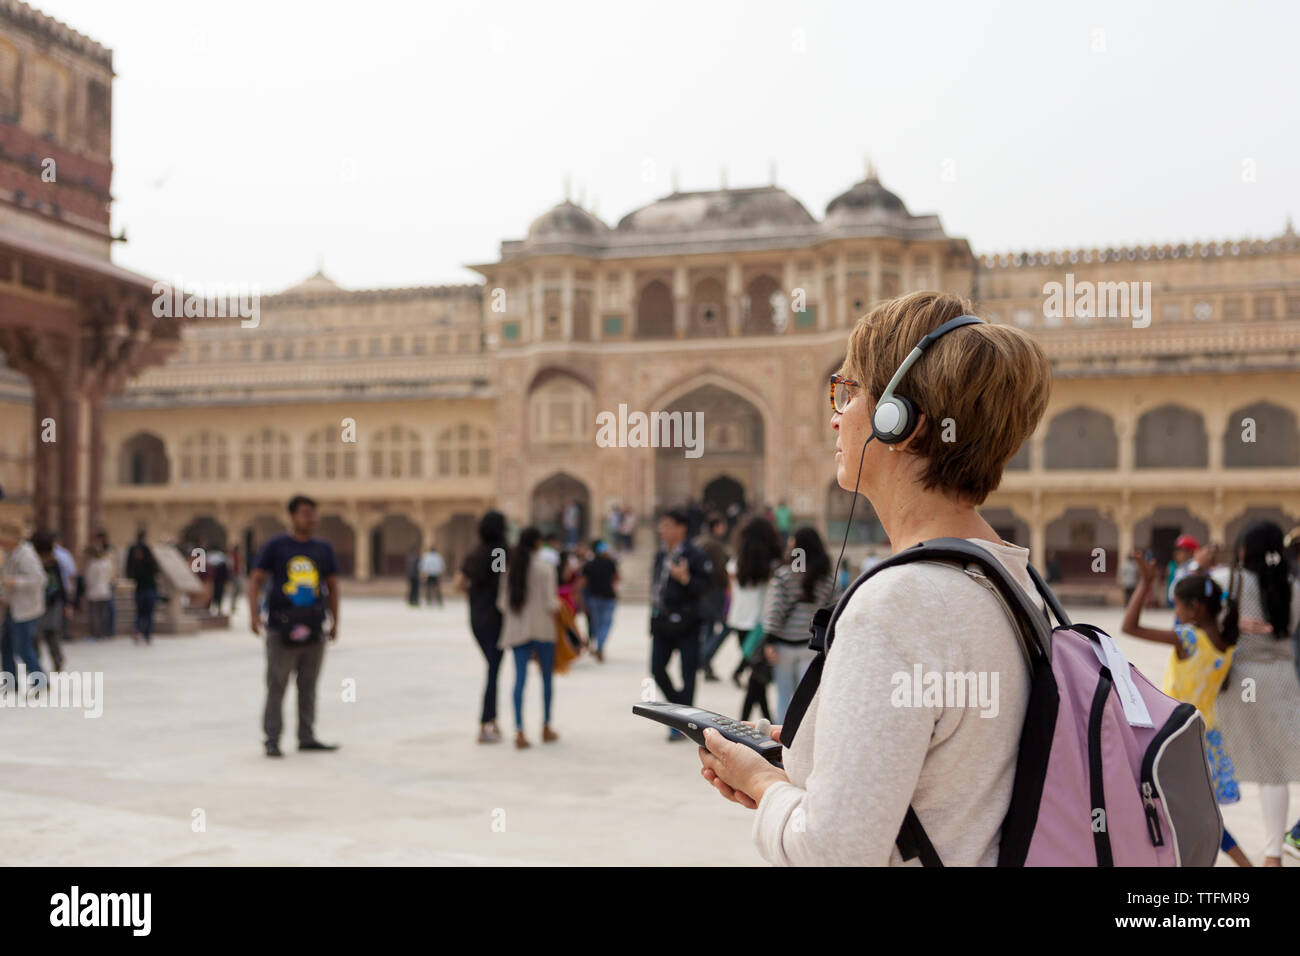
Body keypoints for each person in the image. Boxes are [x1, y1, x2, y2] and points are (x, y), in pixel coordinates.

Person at [696, 290, 1051, 865]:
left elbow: (833, 853)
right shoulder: (1012, 580)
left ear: (900, 422)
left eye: (848, 391)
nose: (834, 414)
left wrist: (762, 787)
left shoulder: (899, 603)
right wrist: (811, 755)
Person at [1121, 563, 1250, 866]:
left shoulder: (1188, 639)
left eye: (1177, 605)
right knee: (1195, 811)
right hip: (1207, 736)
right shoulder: (1225, 644)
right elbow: (1223, 683)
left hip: (1174, 734)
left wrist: (1144, 583)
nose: (1175, 611)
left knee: (1176, 809)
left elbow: (1129, 627)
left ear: (1194, 608)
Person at [1214, 520, 1300, 867]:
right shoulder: (1293, 587)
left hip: (1239, 680)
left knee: (1229, 764)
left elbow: (1183, 597)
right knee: (1273, 770)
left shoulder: (1226, 581)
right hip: (1281, 679)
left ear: (1244, 550)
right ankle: (1273, 856)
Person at [249, 495, 341, 758]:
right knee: (277, 684)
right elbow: (255, 579)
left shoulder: (323, 548)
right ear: (292, 516)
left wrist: (335, 621)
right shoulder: (276, 546)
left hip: (313, 625)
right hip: (281, 626)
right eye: (305, 513)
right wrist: (254, 615)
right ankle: (272, 738)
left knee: (308, 685)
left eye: (313, 513)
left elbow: (333, 586)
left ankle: (306, 736)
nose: (311, 519)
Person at [649, 508, 713, 740]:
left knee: (688, 673)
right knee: (657, 669)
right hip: (663, 621)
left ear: (681, 528)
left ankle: (683, 723)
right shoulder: (660, 555)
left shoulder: (695, 555)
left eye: (666, 525)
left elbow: (706, 586)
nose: (661, 530)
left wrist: (685, 579)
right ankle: (681, 709)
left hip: (688, 621)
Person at [760, 526, 835, 722]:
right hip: (810, 646)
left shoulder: (784, 575)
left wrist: (769, 641)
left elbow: (774, 610)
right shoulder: (827, 577)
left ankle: (780, 742)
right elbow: (833, 608)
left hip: (783, 646)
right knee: (807, 701)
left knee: (783, 697)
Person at [497, 526, 559, 749]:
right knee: (546, 680)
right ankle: (546, 726)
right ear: (537, 544)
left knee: (519, 680)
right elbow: (551, 603)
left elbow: (502, 603)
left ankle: (519, 730)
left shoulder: (509, 567)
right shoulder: (546, 567)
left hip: (518, 630)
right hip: (543, 629)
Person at [455, 511, 507, 743]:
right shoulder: (498, 552)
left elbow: (458, 583)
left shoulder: (475, 553)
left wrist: (475, 593)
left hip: (476, 616)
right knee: (494, 670)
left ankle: (491, 721)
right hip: (495, 618)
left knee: (492, 669)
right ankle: (486, 723)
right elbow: (501, 580)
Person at [0, 519, 46, 693]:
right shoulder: (10, 554)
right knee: (5, 646)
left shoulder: (26, 554)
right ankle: (10, 682)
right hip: (14, 607)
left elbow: (39, 579)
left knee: (23, 647)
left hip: (26, 609)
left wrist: (15, 582)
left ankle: (40, 681)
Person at [695, 513, 732, 682]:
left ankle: (706, 665)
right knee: (727, 626)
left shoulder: (698, 542)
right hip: (714, 592)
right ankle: (703, 657)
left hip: (700, 592)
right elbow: (720, 569)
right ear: (716, 526)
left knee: (707, 629)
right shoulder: (714, 545)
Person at [580, 540, 619, 663]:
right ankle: (600, 647)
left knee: (596, 624)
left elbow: (583, 583)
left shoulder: (589, 565)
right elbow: (617, 578)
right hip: (608, 597)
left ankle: (597, 646)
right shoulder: (610, 563)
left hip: (594, 598)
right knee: (606, 624)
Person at [33, 532, 67, 672]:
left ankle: (40, 662)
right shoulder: (52, 563)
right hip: (50, 602)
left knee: (43, 634)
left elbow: (58, 584)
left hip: (45, 602)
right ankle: (46, 661)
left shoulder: (41, 563)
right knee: (49, 633)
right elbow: (61, 584)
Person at [124, 531, 160, 645]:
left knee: (147, 613)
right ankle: (140, 632)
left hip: (148, 590)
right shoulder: (139, 564)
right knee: (141, 613)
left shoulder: (146, 563)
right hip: (142, 590)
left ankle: (146, 633)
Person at [83, 541, 115, 641]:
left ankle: (97, 634)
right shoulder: (107, 563)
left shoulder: (93, 565)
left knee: (95, 614)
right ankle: (103, 633)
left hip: (95, 591)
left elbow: (89, 579)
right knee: (103, 614)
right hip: (105, 591)